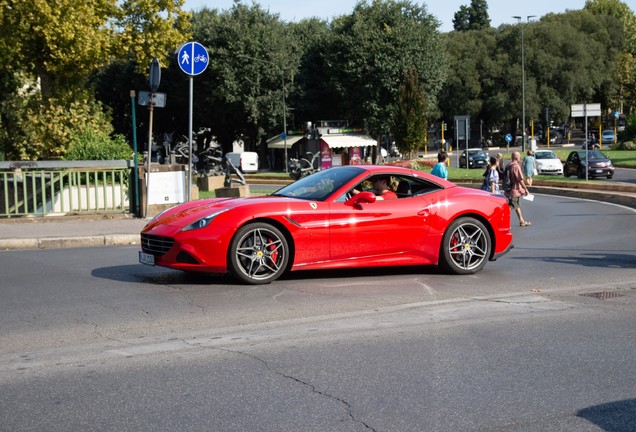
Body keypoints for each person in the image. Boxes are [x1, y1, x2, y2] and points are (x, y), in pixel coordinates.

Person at [505, 151, 531, 227]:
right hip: (515, 190)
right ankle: (500, 221)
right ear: (516, 157)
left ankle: (521, 221)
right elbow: (520, 179)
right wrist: (525, 188)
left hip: (509, 189)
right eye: (520, 156)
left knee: (517, 205)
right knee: (510, 207)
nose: (520, 158)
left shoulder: (509, 165)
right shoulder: (516, 166)